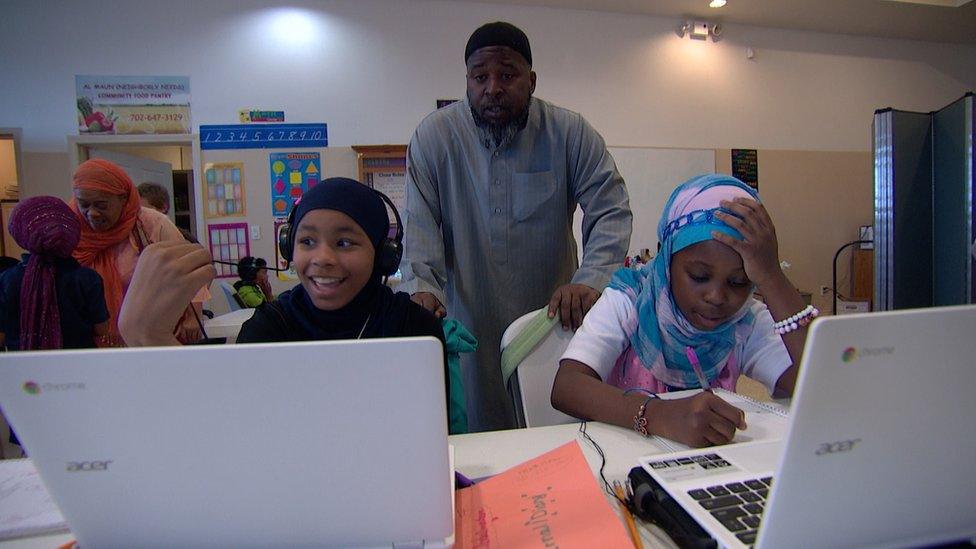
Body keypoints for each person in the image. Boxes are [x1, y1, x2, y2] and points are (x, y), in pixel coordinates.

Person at [401, 21, 633, 431]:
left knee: (555, 431)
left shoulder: (569, 133)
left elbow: (610, 208)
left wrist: (592, 279)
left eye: (507, 75)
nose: (493, 87)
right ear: (467, 81)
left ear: (532, 80)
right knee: (477, 434)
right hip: (469, 322)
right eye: (480, 77)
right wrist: (423, 291)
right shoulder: (434, 137)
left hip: (554, 320)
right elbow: (420, 226)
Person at [551, 174, 813, 448]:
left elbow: (816, 386)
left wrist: (772, 278)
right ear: (666, 259)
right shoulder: (630, 299)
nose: (716, 297)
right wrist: (658, 414)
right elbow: (568, 387)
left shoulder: (744, 319)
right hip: (622, 463)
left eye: (738, 282)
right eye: (699, 276)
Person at [236, 178, 444, 345]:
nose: (322, 258)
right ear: (289, 246)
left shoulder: (414, 329)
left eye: (344, 243)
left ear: (383, 256)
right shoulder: (267, 330)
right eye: (307, 241)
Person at [70, 158, 208, 346]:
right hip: (91, 340)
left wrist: (193, 317)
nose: (92, 213)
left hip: (151, 335)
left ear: (123, 198)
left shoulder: (151, 223)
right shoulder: (71, 228)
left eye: (101, 205)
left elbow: (188, 270)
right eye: (84, 204)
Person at [0, 196, 109, 350]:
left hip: (24, 369)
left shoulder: (7, 279)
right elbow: (101, 329)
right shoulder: (87, 278)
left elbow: (2, 336)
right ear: (73, 231)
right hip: (79, 365)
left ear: (19, 232)